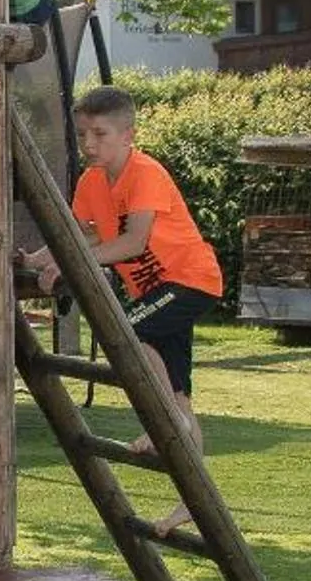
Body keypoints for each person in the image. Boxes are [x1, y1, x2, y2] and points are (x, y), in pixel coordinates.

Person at [21, 85, 224, 516]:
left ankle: (166, 423)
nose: (88, 145)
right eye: (82, 135)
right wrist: (35, 258)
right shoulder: (92, 182)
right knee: (178, 390)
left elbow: (134, 242)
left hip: (190, 280)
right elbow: (79, 234)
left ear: (128, 135)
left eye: (100, 134)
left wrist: (75, 267)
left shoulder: (145, 172)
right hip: (155, 293)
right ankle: (195, 499)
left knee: (128, 330)